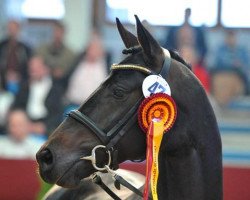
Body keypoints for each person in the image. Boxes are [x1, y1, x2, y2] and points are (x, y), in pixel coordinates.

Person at [12, 55, 65, 136]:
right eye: (31, 68)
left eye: (37, 68)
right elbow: (17, 106)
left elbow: (57, 113)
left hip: (45, 125)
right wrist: (25, 123)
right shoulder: (24, 86)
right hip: (25, 123)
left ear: (46, 69)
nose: (32, 70)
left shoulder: (55, 89)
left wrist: (45, 126)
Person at [64, 31, 110, 108]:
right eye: (91, 48)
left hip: (96, 107)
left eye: (96, 49)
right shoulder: (77, 62)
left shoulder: (105, 67)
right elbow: (66, 79)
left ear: (101, 51)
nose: (93, 51)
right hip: (73, 105)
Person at [211, 30, 249, 105]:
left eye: (233, 37)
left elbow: (246, 65)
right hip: (223, 74)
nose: (231, 39)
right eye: (229, 37)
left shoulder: (242, 50)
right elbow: (216, 65)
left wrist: (240, 65)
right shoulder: (220, 50)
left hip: (238, 75)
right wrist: (231, 64)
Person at [0, 20, 33, 94]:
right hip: (3, 80)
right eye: (10, 29)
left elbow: (29, 66)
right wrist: (5, 75)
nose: (12, 31)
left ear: (19, 30)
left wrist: (18, 76)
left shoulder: (25, 48)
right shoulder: (1, 46)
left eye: (14, 29)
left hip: (21, 81)